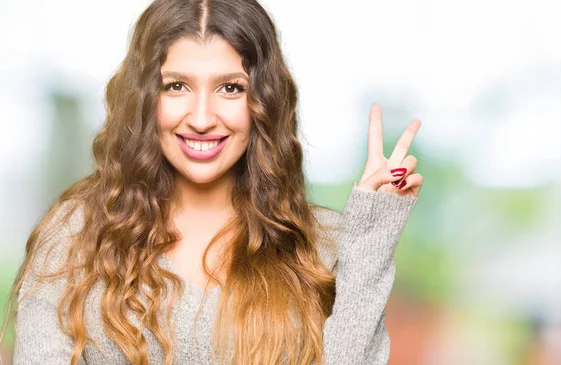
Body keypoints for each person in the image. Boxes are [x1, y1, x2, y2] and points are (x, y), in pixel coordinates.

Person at [0, 0, 423, 364]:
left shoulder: (321, 246)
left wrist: (370, 234)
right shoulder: (77, 233)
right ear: (145, 100)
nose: (202, 119)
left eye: (230, 88)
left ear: (264, 102)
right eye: (177, 86)